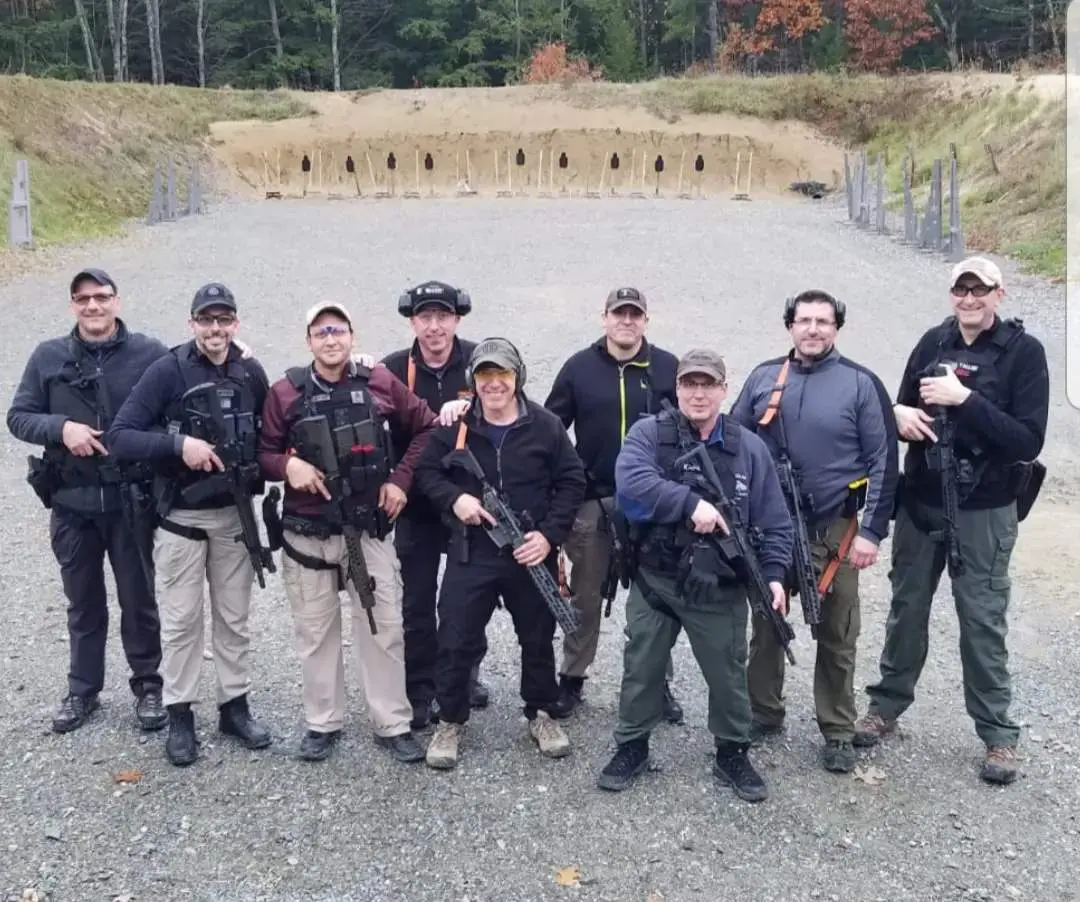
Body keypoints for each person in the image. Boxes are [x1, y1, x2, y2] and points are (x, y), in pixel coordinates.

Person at [855, 256, 1049, 786]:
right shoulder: (932, 343)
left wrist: (965, 401)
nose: (969, 299)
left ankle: (998, 734)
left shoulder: (1024, 354)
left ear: (999, 295)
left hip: (985, 508)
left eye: (979, 290)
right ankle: (885, 707)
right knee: (906, 608)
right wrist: (900, 417)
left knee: (982, 618)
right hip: (921, 500)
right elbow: (894, 410)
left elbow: (1028, 439)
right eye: (961, 290)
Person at [597, 349, 794, 803]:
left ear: (724, 390)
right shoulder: (649, 434)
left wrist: (775, 576)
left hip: (721, 587)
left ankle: (732, 751)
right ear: (678, 388)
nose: (699, 393)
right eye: (690, 384)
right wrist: (691, 504)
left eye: (709, 385)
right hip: (657, 580)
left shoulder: (749, 448)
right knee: (642, 666)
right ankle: (632, 745)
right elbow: (630, 483)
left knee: (727, 674)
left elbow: (775, 522)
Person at [258, 301, 438, 763]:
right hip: (308, 535)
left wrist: (399, 480)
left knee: (384, 629)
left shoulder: (378, 381)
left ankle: (392, 722)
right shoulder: (284, 393)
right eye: (321, 331)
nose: (330, 338)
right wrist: (287, 464)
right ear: (308, 341)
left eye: (338, 330)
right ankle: (323, 722)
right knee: (315, 631)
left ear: (352, 336)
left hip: (369, 529)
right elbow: (260, 454)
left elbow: (427, 429)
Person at [729, 290, 899, 773]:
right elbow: (734, 442)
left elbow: (885, 459)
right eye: (804, 320)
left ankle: (838, 729)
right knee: (766, 624)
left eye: (823, 321)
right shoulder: (764, 378)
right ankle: (763, 712)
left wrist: (872, 532)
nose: (813, 329)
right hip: (771, 530)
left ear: (837, 328)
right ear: (790, 326)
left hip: (836, 530)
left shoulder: (862, 384)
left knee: (837, 632)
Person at [108, 282, 273, 767]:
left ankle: (234, 705)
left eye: (224, 320)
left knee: (234, 618)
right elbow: (122, 435)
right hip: (181, 519)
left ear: (236, 325)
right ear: (192, 323)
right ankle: (181, 712)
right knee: (181, 623)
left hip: (233, 516)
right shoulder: (167, 370)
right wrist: (179, 447)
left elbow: (271, 430)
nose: (215, 329)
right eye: (207, 320)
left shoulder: (251, 372)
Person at [6, 268, 167, 735]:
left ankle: (148, 685)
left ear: (117, 301)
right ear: (72, 305)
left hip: (130, 502)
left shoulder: (150, 355)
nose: (92, 306)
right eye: (83, 299)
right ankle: (82, 689)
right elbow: (18, 417)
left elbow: (181, 395)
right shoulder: (48, 357)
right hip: (72, 503)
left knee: (139, 599)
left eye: (101, 297)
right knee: (83, 603)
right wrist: (61, 429)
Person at [413, 338, 587, 770]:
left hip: (530, 552)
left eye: (502, 375)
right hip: (473, 552)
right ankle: (450, 719)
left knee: (538, 638)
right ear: (473, 381)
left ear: (517, 378)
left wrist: (548, 536)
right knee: (455, 637)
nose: (494, 384)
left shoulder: (545, 426)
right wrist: (456, 500)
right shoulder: (455, 426)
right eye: (485, 376)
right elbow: (426, 473)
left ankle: (541, 713)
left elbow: (572, 482)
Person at [544, 287, 682, 721]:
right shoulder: (578, 369)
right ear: (603, 318)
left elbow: (688, 429)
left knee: (656, 596)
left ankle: (657, 682)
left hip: (652, 503)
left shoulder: (667, 368)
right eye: (619, 314)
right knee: (585, 595)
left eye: (635, 315)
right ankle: (572, 677)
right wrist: (568, 481)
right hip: (594, 501)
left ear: (646, 320)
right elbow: (550, 431)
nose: (627, 321)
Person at [380, 280, 488, 729]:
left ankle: (463, 675)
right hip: (416, 504)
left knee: (467, 600)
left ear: (457, 320)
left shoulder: (483, 360)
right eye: (425, 317)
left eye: (443, 316)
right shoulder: (389, 368)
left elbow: (511, 405)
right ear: (412, 322)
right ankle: (420, 686)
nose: (434, 326)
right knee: (418, 602)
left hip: (468, 500)